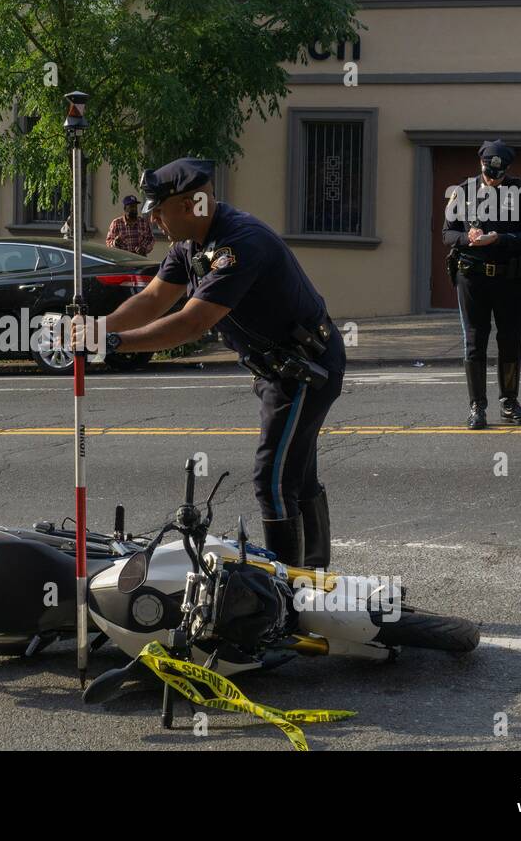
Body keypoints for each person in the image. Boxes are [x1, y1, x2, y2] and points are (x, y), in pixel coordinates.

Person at [77, 157, 345, 568]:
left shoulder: (237, 243)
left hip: (306, 368)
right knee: (295, 476)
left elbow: (192, 323)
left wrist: (111, 343)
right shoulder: (190, 247)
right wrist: (96, 330)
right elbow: (152, 300)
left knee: (272, 480)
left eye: (159, 212)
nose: (154, 223)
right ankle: (313, 580)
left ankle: (289, 595)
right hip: (280, 370)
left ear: (188, 206)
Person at [443, 140, 521, 429]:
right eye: (488, 172)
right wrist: (467, 238)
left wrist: (500, 238)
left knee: (510, 340)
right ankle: (477, 408)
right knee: (475, 341)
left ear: (507, 170)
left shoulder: (520, 192)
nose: (492, 178)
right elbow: (447, 234)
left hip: (509, 277)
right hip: (472, 278)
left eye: (498, 174)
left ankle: (509, 404)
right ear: (481, 164)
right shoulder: (461, 191)